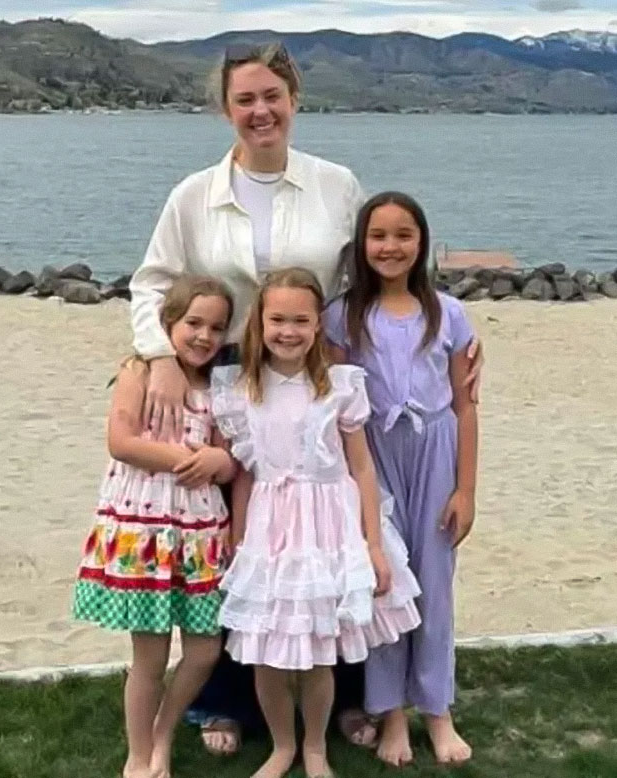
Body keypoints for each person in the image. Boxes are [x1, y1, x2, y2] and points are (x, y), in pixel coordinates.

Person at [128, 42, 484, 756]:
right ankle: (226, 702)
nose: (260, 111)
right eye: (244, 100)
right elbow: (151, 283)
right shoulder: (193, 194)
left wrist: (442, 336)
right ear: (225, 109)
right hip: (230, 374)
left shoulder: (334, 183)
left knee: (331, 539)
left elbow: (380, 277)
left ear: (294, 100)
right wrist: (163, 357)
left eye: (272, 96)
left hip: (321, 373)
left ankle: (348, 700)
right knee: (240, 540)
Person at [212, 267, 421, 778]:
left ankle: (314, 747)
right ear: (260, 322)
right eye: (277, 319)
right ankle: (282, 744)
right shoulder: (241, 390)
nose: (289, 330)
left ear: (317, 325)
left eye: (301, 320)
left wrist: (373, 545)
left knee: (319, 650)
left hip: (330, 526)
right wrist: (239, 542)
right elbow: (243, 476)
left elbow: (363, 467)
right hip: (270, 527)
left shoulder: (340, 386)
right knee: (266, 649)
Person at [323, 192, 479, 766]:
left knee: (435, 587)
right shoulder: (341, 316)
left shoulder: (448, 313)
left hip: (435, 454)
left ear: (422, 241)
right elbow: (335, 400)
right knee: (385, 583)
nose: (391, 247)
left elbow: (466, 407)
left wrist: (466, 489)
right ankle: (390, 714)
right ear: (362, 245)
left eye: (403, 235)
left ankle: (438, 712)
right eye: (379, 236)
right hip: (373, 458)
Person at [72, 276, 237, 778]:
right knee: (149, 654)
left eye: (216, 327)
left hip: (200, 533)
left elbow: (231, 463)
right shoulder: (139, 370)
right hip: (145, 531)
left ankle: (164, 731)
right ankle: (139, 755)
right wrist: (186, 458)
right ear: (168, 324)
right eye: (193, 323)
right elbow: (121, 441)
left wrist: (217, 460)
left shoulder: (220, 388)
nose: (203, 336)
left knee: (206, 647)